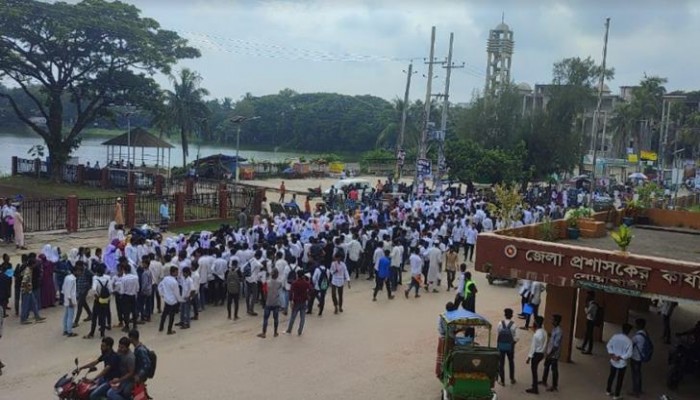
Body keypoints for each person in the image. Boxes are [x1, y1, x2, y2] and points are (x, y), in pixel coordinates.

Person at [606, 323, 633, 400]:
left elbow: (608, 345)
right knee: (620, 379)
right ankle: (616, 395)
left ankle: (608, 390)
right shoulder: (629, 341)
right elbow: (629, 354)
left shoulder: (615, 337)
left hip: (613, 360)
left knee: (611, 376)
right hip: (622, 363)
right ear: (628, 331)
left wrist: (612, 355)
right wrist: (621, 357)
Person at [541, 314, 563, 392]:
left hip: (554, 354)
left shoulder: (559, 331)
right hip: (550, 351)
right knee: (546, 366)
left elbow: (556, 346)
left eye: (553, 320)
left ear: (556, 321)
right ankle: (544, 381)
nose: (551, 321)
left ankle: (554, 386)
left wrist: (549, 354)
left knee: (554, 369)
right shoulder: (555, 329)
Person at [257, 268, 282, 338]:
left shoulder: (266, 283)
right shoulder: (279, 283)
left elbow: (264, 293)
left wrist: (265, 301)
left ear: (271, 274)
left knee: (265, 318)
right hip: (276, 302)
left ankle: (264, 333)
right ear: (277, 275)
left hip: (268, 302)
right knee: (276, 318)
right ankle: (275, 332)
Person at [496, 308, 518, 386]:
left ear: (505, 315)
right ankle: (512, 379)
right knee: (511, 362)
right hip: (510, 347)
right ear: (511, 315)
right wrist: (512, 343)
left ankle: (502, 381)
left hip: (501, 346)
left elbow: (498, 334)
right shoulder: (514, 325)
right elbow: (516, 338)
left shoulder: (500, 323)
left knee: (501, 363)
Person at [525, 316, 547, 394]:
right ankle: (534, 385)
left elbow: (533, 348)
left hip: (536, 354)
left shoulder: (536, 335)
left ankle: (535, 388)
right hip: (542, 353)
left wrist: (529, 358)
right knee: (535, 370)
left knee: (534, 371)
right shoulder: (544, 332)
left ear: (536, 324)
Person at [158, 266, 181, 335]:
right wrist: (179, 300)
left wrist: (162, 294)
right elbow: (177, 293)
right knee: (171, 316)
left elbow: (160, 286)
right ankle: (169, 330)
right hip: (173, 301)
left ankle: (161, 327)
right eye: (176, 272)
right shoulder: (174, 282)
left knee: (164, 314)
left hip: (167, 299)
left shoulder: (165, 279)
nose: (177, 273)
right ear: (173, 272)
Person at [630, 318, 649, 397]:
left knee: (635, 374)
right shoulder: (645, 333)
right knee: (638, 373)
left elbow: (631, 344)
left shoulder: (637, 336)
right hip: (640, 357)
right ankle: (639, 389)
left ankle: (635, 391)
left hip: (635, 357)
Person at [61, 266, 78, 337]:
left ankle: (65, 329)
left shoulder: (67, 277)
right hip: (70, 299)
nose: (79, 273)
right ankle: (69, 331)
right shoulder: (72, 280)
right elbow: (69, 291)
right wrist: (70, 301)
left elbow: (64, 289)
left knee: (66, 315)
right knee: (70, 316)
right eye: (79, 271)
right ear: (75, 271)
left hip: (66, 299)